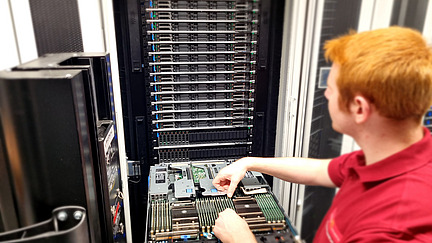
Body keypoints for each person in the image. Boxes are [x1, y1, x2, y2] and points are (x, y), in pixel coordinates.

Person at [212, 26, 432, 243]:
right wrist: (248, 162)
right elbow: (318, 170)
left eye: (330, 89)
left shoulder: (392, 229)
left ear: (359, 109)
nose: (325, 95)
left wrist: (240, 239)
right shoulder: (393, 156)